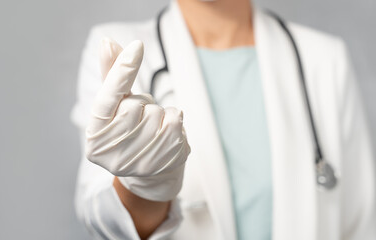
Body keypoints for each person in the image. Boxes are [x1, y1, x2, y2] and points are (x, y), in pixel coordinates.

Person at [71, 0, 376, 239]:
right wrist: (144, 184)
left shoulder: (325, 59)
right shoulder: (117, 50)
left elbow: (362, 225)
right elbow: (106, 221)